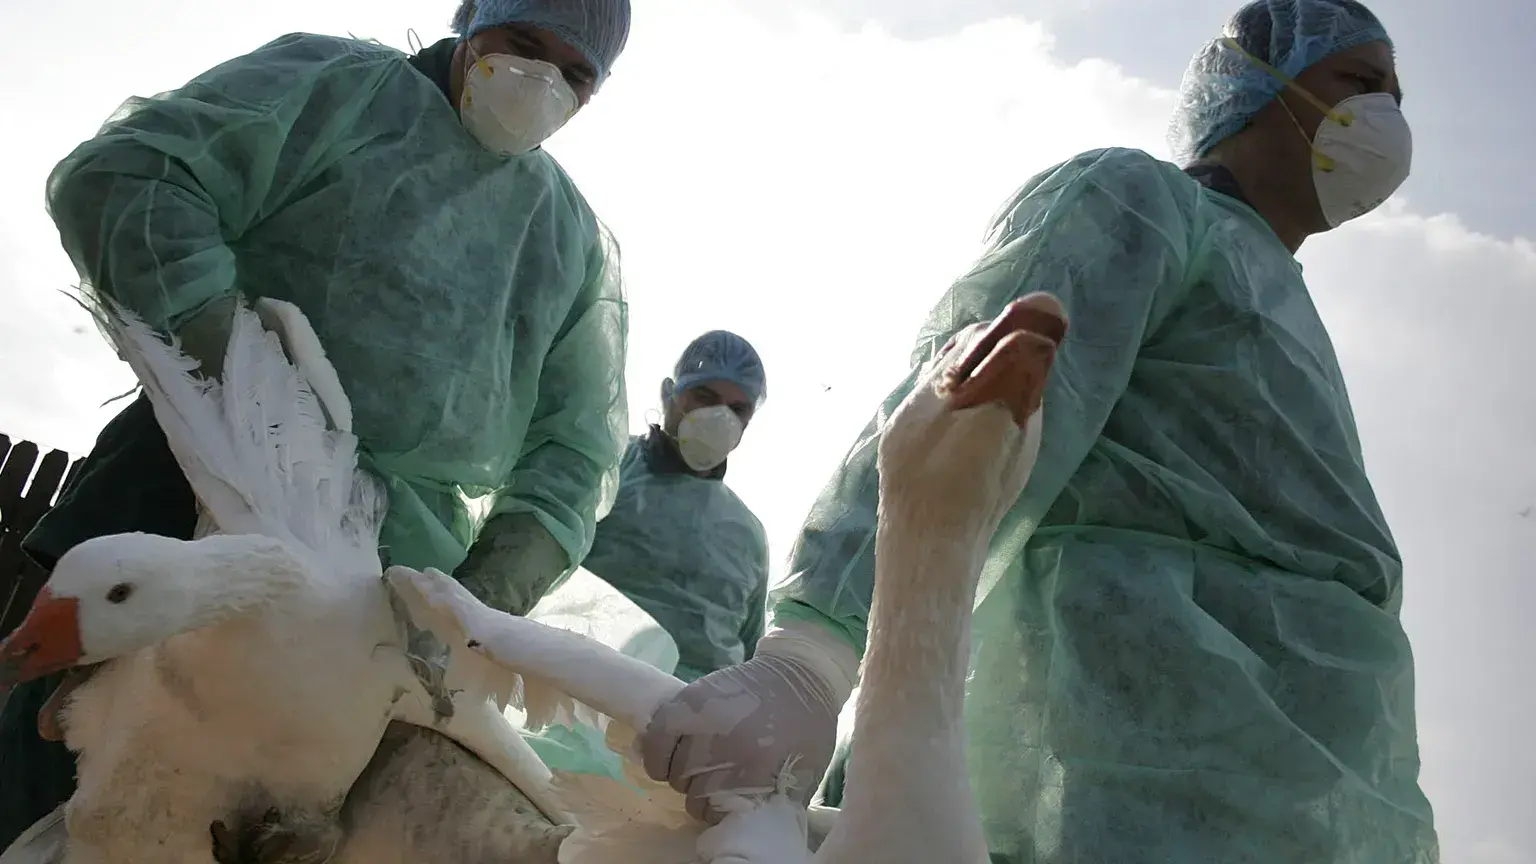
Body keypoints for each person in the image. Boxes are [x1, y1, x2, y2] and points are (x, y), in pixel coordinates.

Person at [637, 1, 1440, 861]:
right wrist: (814, 655)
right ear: (1253, 86)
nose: (1387, 117)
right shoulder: (1141, 208)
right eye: (1359, 83)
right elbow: (954, 420)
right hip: (1117, 770)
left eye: (1397, 93)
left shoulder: (1289, 311)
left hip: (1322, 802)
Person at [0, 0, 631, 851]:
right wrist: (233, 371)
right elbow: (128, 177)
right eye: (522, 45)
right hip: (189, 487)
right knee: (63, 769)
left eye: (576, 72)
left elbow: (575, 451)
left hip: (384, 600)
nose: (541, 81)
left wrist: (478, 602)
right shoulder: (339, 92)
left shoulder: (567, 244)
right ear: (474, 19)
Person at [580, 331, 771, 682]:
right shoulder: (606, 465)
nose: (720, 417)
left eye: (738, 408)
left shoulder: (749, 536)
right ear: (669, 394)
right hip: (578, 698)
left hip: (694, 722)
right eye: (705, 396)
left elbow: (749, 661)